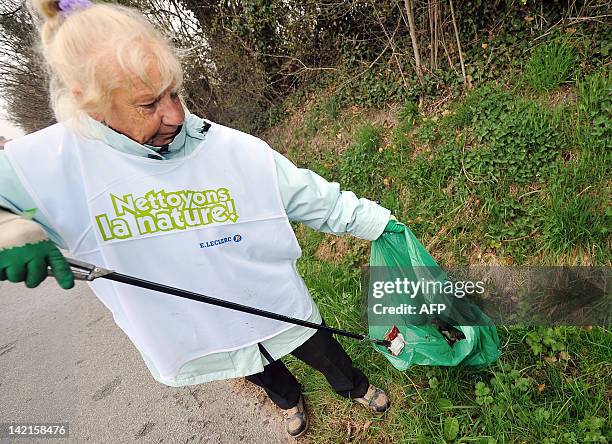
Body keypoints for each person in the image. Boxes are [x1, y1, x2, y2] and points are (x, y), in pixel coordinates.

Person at [0, 0, 401, 438]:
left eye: (174, 92)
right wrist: (12, 227)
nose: (175, 115)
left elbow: (312, 196)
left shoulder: (228, 147)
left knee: (318, 345)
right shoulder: (45, 165)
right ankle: (287, 398)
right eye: (149, 104)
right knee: (254, 367)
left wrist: (379, 224)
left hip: (275, 299)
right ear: (88, 103)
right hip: (200, 326)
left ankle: (354, 386)